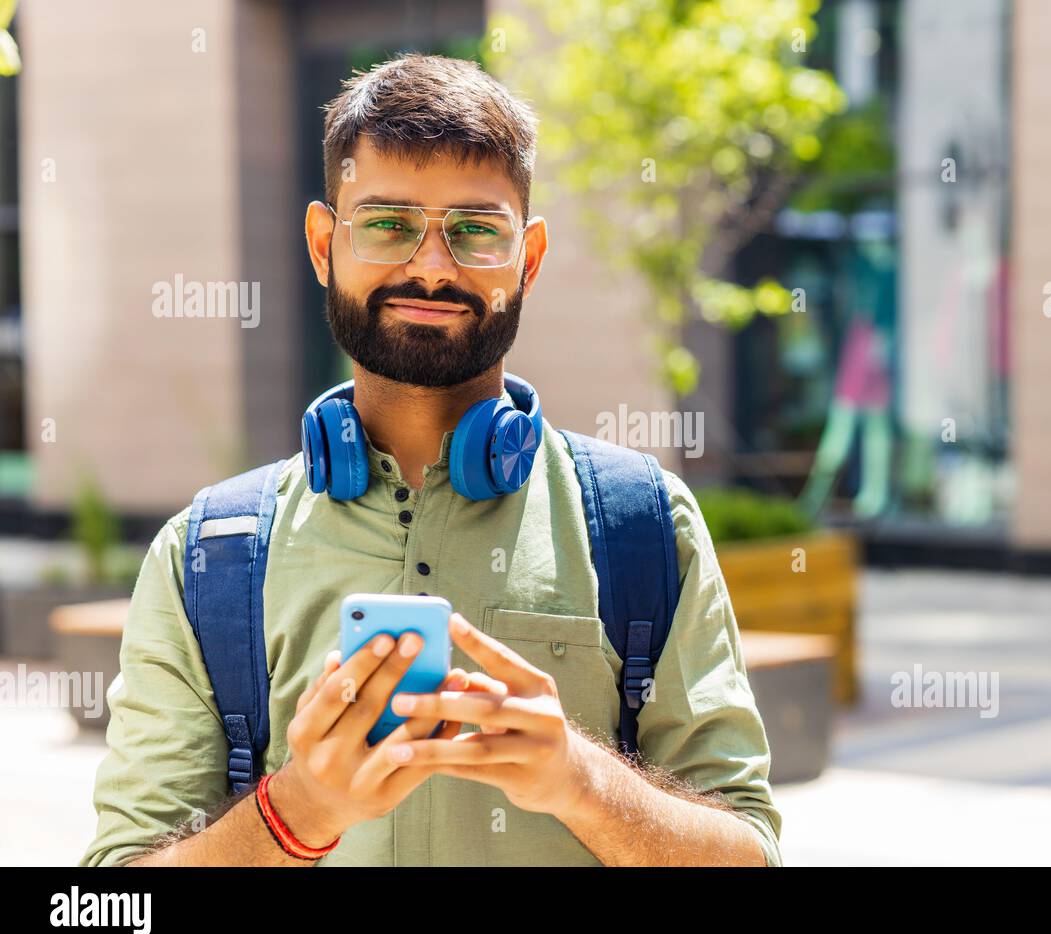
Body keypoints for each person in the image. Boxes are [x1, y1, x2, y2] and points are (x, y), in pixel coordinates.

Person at [79, 54, 781, 867]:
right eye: (387, 223)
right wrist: (299, 809)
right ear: (321, 244)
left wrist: (578, 778)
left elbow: (751, 856)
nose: (432, 266)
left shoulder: (643, 525)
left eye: (476, 230)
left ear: (530, 257)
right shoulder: (205, 558)